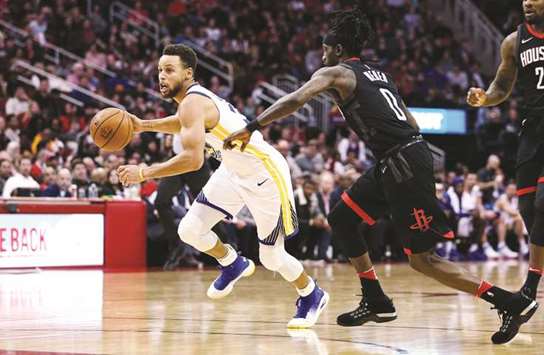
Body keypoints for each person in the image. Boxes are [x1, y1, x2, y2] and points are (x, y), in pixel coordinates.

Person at [225, 8, 538, 344]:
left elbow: (296, 98)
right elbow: (412, 123)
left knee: (423, 261)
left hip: (403, 162)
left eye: (326, 48)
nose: (323, 54)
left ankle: (506, 302)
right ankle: (375, 298)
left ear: (338, 50)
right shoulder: (379, 74)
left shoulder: (336, 73)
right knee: (342, 217)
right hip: (398, 157)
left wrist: (251, 127)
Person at [117, 44, 328, 328]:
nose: (161, 77)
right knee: (189, 229)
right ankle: (232, 262)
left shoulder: (192, 101)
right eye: (159, 71)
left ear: (188, 73)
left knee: (272, 256)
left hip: (264, 174)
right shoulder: (191, 103)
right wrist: (143, 124)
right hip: (232, 170)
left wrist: (144, 172)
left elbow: (192, 160)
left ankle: (311, 293)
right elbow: (182, 123)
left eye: (169, 70)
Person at [468, 0, 544, 338]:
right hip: (532, 132)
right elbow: (502, 86)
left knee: (543, 206)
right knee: (528, 209)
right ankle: (525, 300)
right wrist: (485, 98)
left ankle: (527, 293)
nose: (527, 1)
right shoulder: (513, 41)